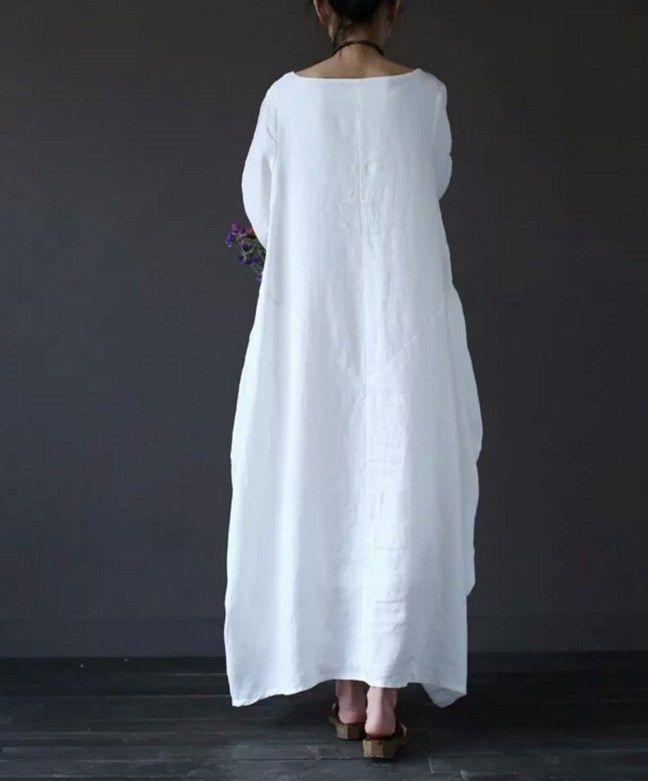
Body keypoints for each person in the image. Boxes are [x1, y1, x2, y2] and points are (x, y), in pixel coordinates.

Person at [224, 0, 483, 759]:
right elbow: (428, 184)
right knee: (398, 480)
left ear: (321, 8)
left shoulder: (285, 99)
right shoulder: (425, 95)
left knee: (320, 481)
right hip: (404, 322)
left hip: (312, 327)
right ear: (393, 7)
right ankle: (380, 703)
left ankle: (343, 691)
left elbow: (259, 211)